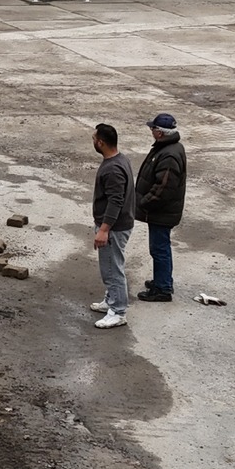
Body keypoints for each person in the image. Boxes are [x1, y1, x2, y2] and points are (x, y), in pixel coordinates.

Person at [134, 112, 187, 303]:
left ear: (159, 132)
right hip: (162, 212)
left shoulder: (169, 154)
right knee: (160, 248)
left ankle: (163, 288)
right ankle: (162, 281)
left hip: (161, 213)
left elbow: (163, 189)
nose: (151, 131)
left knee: (159, 249)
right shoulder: (169, 147)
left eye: (152, 128)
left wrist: (143, 202)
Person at [89, 122, 135, 329]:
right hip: (117, 225)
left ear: (101, 142)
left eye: (93, 139)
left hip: (114, 228)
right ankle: (111, 300)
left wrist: (104, 230)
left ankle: (118, 311)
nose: (93, 142)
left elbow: (116, 201)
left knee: (112, 269)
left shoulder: (113, 169)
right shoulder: (119, 159)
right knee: (109, 268)